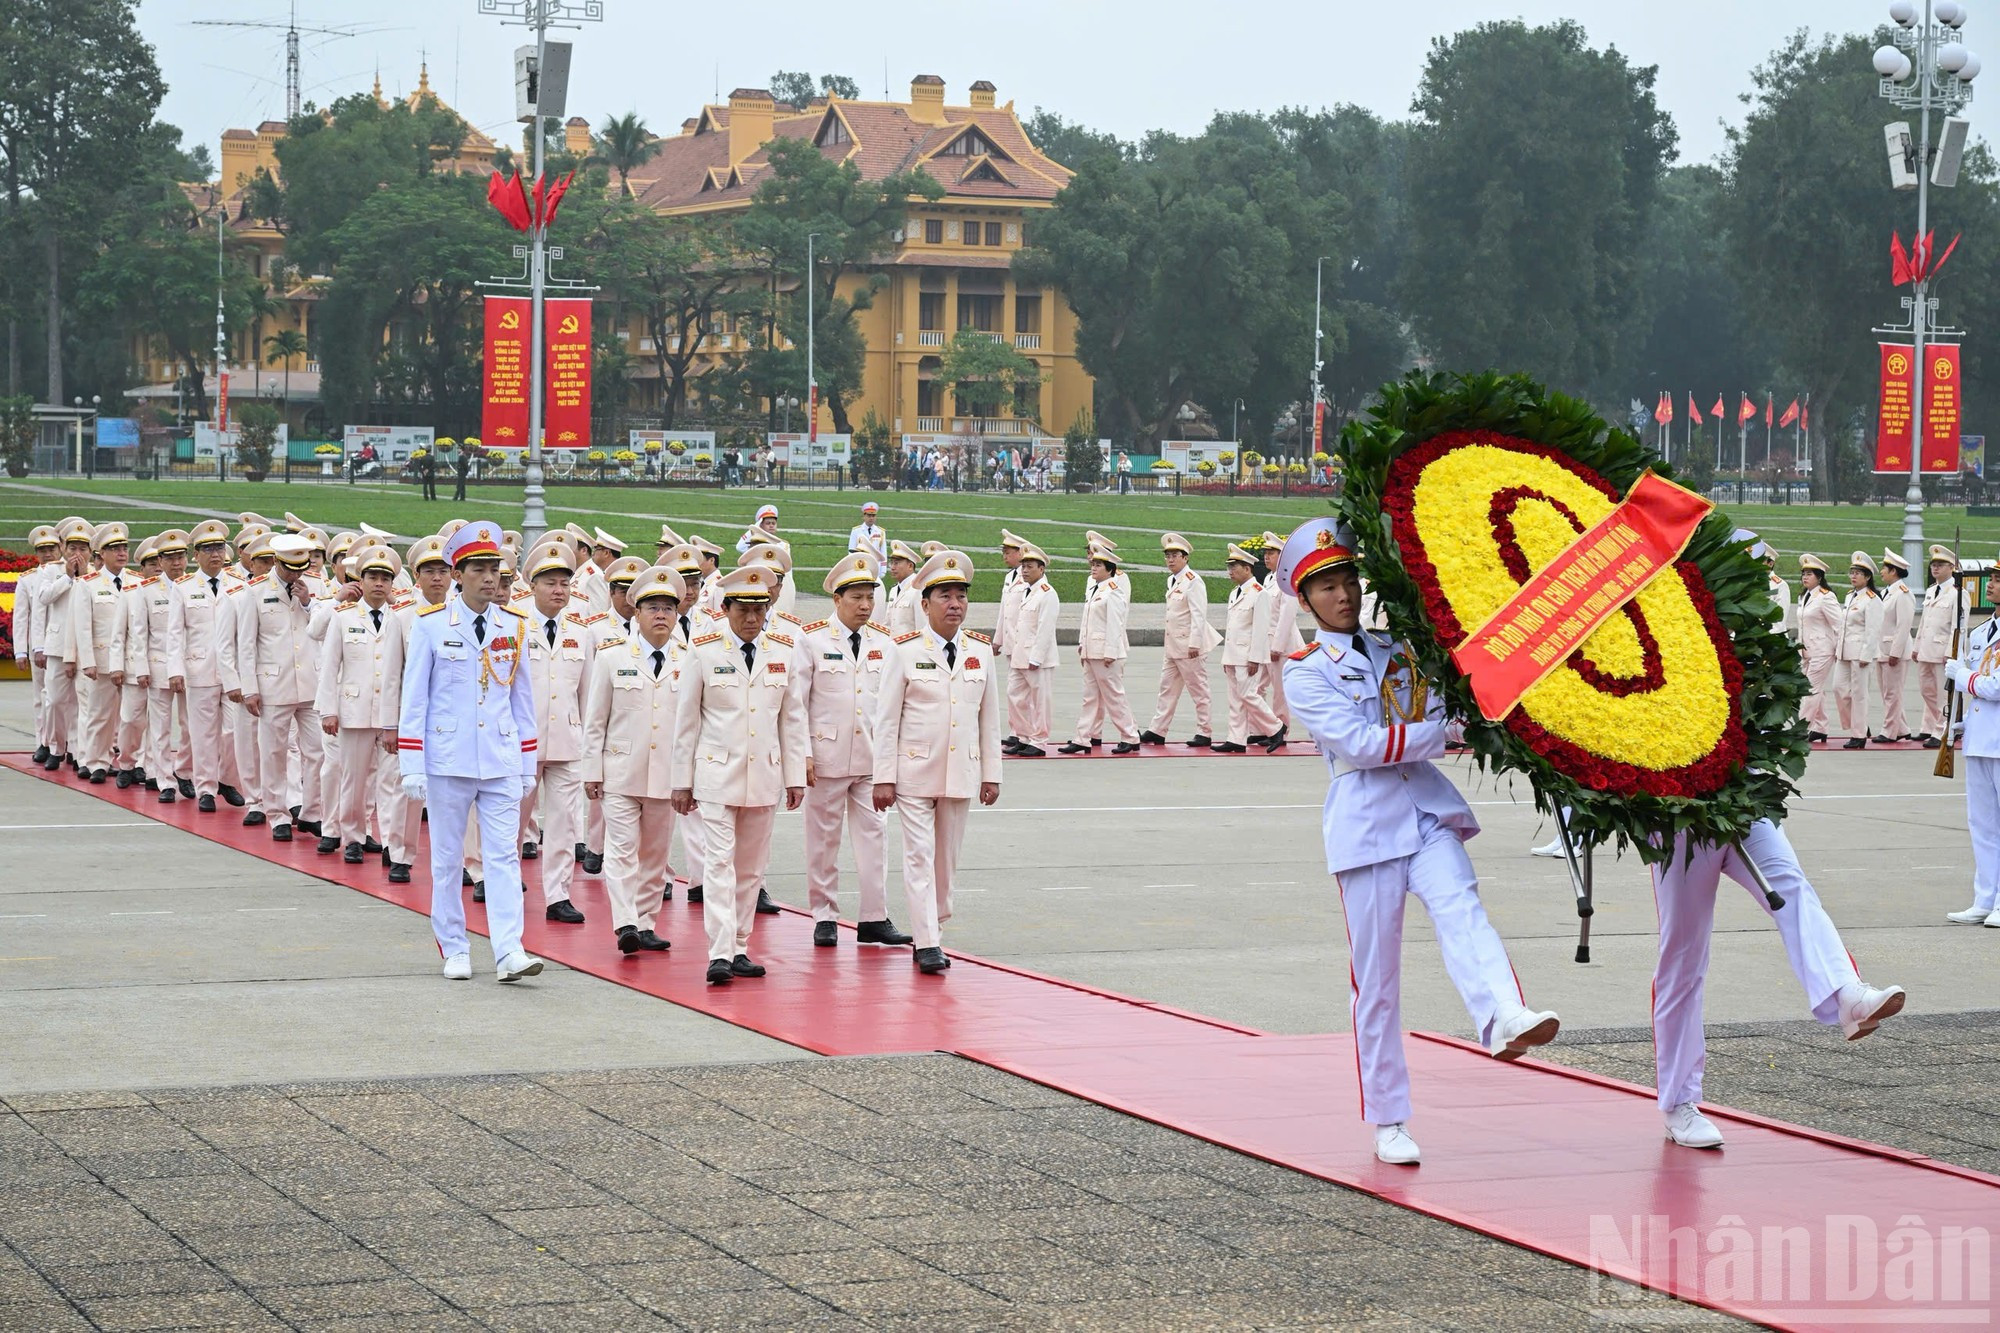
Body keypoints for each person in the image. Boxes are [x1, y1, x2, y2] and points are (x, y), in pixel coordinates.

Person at [1277, 518, 1559, 1165]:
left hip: (1425, 809)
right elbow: (1363, 745)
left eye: (1347, 578)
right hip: (1366, 827)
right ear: (1305, 600)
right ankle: (1389, 1118)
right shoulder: (1306, 672)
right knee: (1376, 982)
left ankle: (1504, 1014)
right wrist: (1445, 734)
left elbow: (1442, 709)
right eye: (1325, 586)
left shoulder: (1397, 646)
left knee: (1463, 907)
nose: (1342, 594)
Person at [1648, 823, 1908, 1148]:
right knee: (1683, 954)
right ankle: (1678, 1101)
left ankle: (1847, 995)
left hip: (1747, 802)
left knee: (1793, 890)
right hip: (1677, 819)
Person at [398, 522, 543, 984]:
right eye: (478, 569)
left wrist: (526, 764)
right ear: (458, 574)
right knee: (446, 858)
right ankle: (456, 946)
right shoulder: (432, 626)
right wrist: (412, 765)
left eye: (494, 569)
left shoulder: (513, 626)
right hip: (447, 758)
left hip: (499, 758)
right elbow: (414, 700)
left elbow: (523, 703)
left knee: (503, 857)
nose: (488, 578)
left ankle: (509, 949)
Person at [671, 565, 807, 986]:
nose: (752, 619)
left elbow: (792, 717)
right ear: (725, 608)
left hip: (763, 774)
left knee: (751, 868)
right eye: (743, 610)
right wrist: (681, 780)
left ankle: (741, 945)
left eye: (759, 609)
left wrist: (796, 775)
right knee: (718, 863)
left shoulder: (782, 650)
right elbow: (686, 720)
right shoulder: (704, 650)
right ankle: (719, 951)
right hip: (716, 775)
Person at [873, 549, 1001, 973]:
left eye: (961, 596)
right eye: (945, 595)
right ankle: (926, 941)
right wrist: (883, 777)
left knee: (946, 860)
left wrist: (992, 773)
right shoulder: (904, 650)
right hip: (913, 773)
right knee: (918, 855)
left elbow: (989, 719)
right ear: (924, 604)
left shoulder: (979, 651)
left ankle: (935, 926)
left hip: (961, 772)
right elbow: (886, 719)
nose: (955, 604)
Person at [796, 554, 911, 947]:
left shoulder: (884, 641)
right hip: (825, 758)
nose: (865, 605)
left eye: (869, 597)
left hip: (871, 758)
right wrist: (802, 755)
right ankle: (825, 915)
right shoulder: (810, 640)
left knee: (874, 839)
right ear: (837, 599)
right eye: (857, 598)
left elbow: (893, 704)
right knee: (823, 841)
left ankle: (874, 917)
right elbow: (796, 704)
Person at [583, 565, 686, 956]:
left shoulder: (688, 658)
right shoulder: (612, 657)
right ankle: (625, 921)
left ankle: (645, 923)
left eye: (667, 608)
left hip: (666, 776)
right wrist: (592, 770)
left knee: (655, 856)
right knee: (622, 850)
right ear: (637, 613)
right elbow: (596, 721)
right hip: (620, 772)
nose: (661, 615)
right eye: (652, 607)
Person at [518, 540, 600, 925]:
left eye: (564, 584)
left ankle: (559, 895)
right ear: (532, 585)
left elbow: (587, 695)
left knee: (565, 823)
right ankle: (499, 879)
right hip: (522, 741)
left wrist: (588, 744)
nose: (558, 590)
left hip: (568, 741)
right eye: (550, 582)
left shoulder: (581, 632)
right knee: (513, 820)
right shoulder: (513, 625)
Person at [314, 545, 405, 863]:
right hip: (354, 709)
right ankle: (352, 835)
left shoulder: (401, 617)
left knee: (392, 782)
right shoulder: (344, 617)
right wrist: (328, 709)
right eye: (373, 577)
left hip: (392, 713)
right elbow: (329, 667)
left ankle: (392, 843)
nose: (379, 583)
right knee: (352, 778)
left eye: (385, 578)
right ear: (361, 581)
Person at [243, 535, 327, 845]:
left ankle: (312, 811)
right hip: (273, 684)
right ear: (277, 562)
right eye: (291, 569)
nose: (296, 575)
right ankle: (276, 813)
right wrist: (249, 688)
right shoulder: (254, 592)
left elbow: (324, 630)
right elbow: (246, 645)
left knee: (318, 752)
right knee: (274, 753)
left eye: (301, 568)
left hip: (310, 684)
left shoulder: (315, 586)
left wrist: (308, 602)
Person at [1948, 595, 2000, 927]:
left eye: (1998, 580)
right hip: (1981, 739)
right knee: (1982, 826)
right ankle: (1985, 898)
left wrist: (1962, 675)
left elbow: (1995, 687)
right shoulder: (1982, 632)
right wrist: (1967, 721)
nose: (1992, 585)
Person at [71, 522, 132, 784]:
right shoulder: (88, 584)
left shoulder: (136, 581)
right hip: (103, 659)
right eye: (114, 549)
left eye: (124, 548)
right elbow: (82, 626)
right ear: (101, 554)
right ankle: (97, 762)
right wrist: (87, 661)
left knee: (132, 717)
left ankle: (133, 762)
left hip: (131, 660)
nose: (121, 553)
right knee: (100, 715)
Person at [1064, 543, 1139, 754]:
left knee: (1114, 697)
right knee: (1090, 698)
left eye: (1098, 565)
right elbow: (1087, 622)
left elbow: (1116, 625)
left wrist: (1110, 653)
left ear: (1109, 569)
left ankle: (1130, 736)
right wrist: (1082, 645)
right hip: (1091, 651)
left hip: (1106, 654)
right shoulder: (1096, 588)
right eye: (1093, 564)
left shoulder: (1113, 592)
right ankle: (1082, 738)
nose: (1093, 568)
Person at [135, 531, 189, 804]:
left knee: (191, 727)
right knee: (160, 727)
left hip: (192, 667)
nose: (177, 563)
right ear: (161, 561)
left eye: (180, 557)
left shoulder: (194, 587)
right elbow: (139, 633)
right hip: (158, 666)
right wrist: (141, 667)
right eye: (170, 558)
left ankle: (185, 772)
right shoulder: (147, 591)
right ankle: (164, 779)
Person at [1217, 543, 1285, 753]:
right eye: (1229, 568)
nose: (1230, 572)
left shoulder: (1259, 593)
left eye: (1234, 568)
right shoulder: (1234, 593)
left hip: (1247, 656)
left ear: (1247, 569)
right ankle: (1236, 739)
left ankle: (1276, 727)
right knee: (1235, 699)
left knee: (1249, 695)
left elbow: (1260, 629)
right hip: (1233, 655)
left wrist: (1255, 658)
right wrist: (1226, 657)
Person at [1003, 545, 1057, 757]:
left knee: (1040, 701)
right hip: (1020, 654)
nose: (1024, 570)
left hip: (1037, 658)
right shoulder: (1027, 591)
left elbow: (1045, 629)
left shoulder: (1047, 594)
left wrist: (1037, 657)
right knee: (1014, 695)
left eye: (1030, 567)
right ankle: (1024, 736)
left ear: (1041, 569)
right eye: (1023, 566)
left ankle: (1039, 740)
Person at [1915, 544, 1969, 747]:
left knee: (1941, 694)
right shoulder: (1931, 591)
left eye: (1940, 565)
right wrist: (1916, 645)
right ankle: (1932, 726)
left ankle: (1942, 730)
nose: (1935, 568)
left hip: (1942, 652)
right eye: (1933, 565)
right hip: (1926, 650)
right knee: (1926, 691)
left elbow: (1959, 627)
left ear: (1951, 568)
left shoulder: (1958, 593)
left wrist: (1951, 651)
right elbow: (1924, 622)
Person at [1830, 551, 1884, 750]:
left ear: (1867, 577)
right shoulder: (1850, 596)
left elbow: (1873, 630)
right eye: (1851, 572)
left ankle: (1858, 734)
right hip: (1844, 651)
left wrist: (1867, 655)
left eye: (1858, 573)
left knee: (1859, 694)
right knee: (1838, 688)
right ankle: (1858, 724)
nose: (1853, 576)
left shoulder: (1872, 599)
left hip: (1860, 653)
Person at [16, 526, 59, 766]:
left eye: (51, 549)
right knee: (42, 698)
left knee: (67, 700)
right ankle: (43, 742)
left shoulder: (68, 575)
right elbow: (22, 617)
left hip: (65, 646)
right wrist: (23, 650)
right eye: (42, 550)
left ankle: (67, 745)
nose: (47, 554)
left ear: (59, 549)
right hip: (40, 648)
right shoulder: (28, 579)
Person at [1259, 531, 1307, 738]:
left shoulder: (1287, 580)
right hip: (1264, 644)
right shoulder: (1270, 578)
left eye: (1271, 553)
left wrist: (1277, 646)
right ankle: (1263, 728)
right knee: (1255, 689)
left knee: (1279, 692)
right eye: (1265, 553)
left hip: (1282, 645)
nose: (1266, 557)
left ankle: (1281, 730)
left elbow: (1287, 616)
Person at [1874, 548, 1916, 744]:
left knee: (1892, 693)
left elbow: (1903, 626)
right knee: (1886, 693)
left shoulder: (1903, 594)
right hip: (1882, 649)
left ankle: (1889, 731)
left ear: (1894, 572)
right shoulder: (1886, 593)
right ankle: (1902, 729)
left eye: (1885, 568)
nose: (1881, 571)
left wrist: (1895, 653)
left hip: (1894, 652)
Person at [1796, 555, 1840, 743]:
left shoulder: (1826, 597)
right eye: (1804, 574)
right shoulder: (1804, 596)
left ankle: (1800, 728)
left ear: (1819, 577)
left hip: (1823, 649)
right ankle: (1820, 727)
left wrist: (1840, 650)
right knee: (1817, 690)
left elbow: (1839, 624)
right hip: (1807, 650)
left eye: (1810, 574)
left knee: (1810, 689)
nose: (1805, 578)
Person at [993, 531, 1028, 746]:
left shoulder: (1029, 578)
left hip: (1023, 644)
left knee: (1023, 694)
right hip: (1010, 642)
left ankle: (1026, 735)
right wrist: (998, 640)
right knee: (1014, 693)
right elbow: (1003, 612)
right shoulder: (1010, 577)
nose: (1004, 556)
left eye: (1008, 552)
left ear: (1019, 553)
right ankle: (1017, 732)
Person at [882, 540, 921, 637]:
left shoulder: (918, 590)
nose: (892, 567)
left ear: (910, 566)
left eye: (897, 563)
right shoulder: (894, 590)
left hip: (910, 648)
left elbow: (921, 626)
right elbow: (888, 623)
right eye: (892, 563)